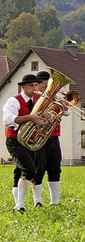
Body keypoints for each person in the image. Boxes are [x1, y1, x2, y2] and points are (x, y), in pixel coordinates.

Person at [3, 74, 46, 213]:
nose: (34, 88)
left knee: (21, 171)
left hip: (30, 141)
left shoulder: (36, 102)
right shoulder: (13, 100)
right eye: (31, 86)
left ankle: (19, 204)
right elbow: (8, 120)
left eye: (35, 85)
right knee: (28, 169)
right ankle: (19, 205)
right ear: (23, 87)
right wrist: (30, 118)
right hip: (15, 140)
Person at [29, 70, 69, 206]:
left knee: (55, 168)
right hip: (39, 138)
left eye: (48, 84)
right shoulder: (34, 98)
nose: (46, 87)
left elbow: (67, 113)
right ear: (38, 85)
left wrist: (63, 105)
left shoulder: (56, 98)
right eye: (44, 84)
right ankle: (37, 201)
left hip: (54, 137)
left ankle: (55, 201)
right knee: (38, 170)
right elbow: (33, 115)